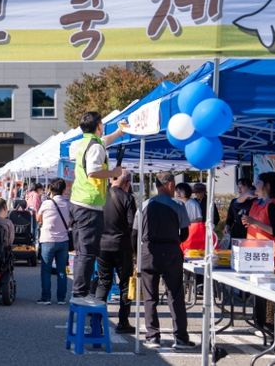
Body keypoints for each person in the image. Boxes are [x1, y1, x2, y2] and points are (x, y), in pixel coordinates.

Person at [132, 171, 193, 350]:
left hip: (148, 251)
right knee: (175, 295)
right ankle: (180, 338)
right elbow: (185, 233)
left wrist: (137, 254)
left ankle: (152, 336)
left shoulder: (143, 205)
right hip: (171, 252)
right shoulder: (178, 205)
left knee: (150, 297)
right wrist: (173, 240)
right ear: (170, 184)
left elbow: (134, 234)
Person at [69, 112, 124, 298]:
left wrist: (119, 133)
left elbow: (103, 142)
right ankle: (80, 293)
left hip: (78, 202)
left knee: (82, 252)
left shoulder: (83, 143)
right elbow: (93, 171)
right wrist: (113, 173)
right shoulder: (96, 147)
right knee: (87, 253)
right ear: (99, 125)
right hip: (89, 205)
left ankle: (79, 292)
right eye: (102, 124)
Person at [95, 170, 136, 334]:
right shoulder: (128, 198)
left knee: (103, 282)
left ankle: (97, 322)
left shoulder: (100, 197)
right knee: (125, 284)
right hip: (122, 246)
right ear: (127, 183)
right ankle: (123, 321)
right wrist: (134, 249)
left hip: (101, 245)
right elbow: (133, 225)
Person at [242, 172, 275, 330]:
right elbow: (237, 203)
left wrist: (255, 222)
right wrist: (250, 222)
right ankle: (259, 324)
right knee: (257, 291)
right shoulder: (257, 202)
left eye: (258, 182)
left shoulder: (273, 204)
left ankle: (268, 326)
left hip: (269, 255)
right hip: (255, 255)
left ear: (267, 186)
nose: (254, 185)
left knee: (266, 294)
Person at [36, 178, 71, 305]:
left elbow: (38, 218)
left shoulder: (46, 203)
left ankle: (46, 298)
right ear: (64, 189)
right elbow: (70, 221)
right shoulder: (68, 204)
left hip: (48, 240)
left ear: (51, 189)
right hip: (64, 241)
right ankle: (61, 298)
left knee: (46, 270)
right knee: (62, 271)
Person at [175, 183, 206, 253]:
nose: (178, 193)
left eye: (181, 191)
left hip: (191, 233)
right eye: (177, 191)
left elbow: (199, 219)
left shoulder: (193, 204)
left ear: (187, 191)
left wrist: (186, 222)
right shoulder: (177, 203)